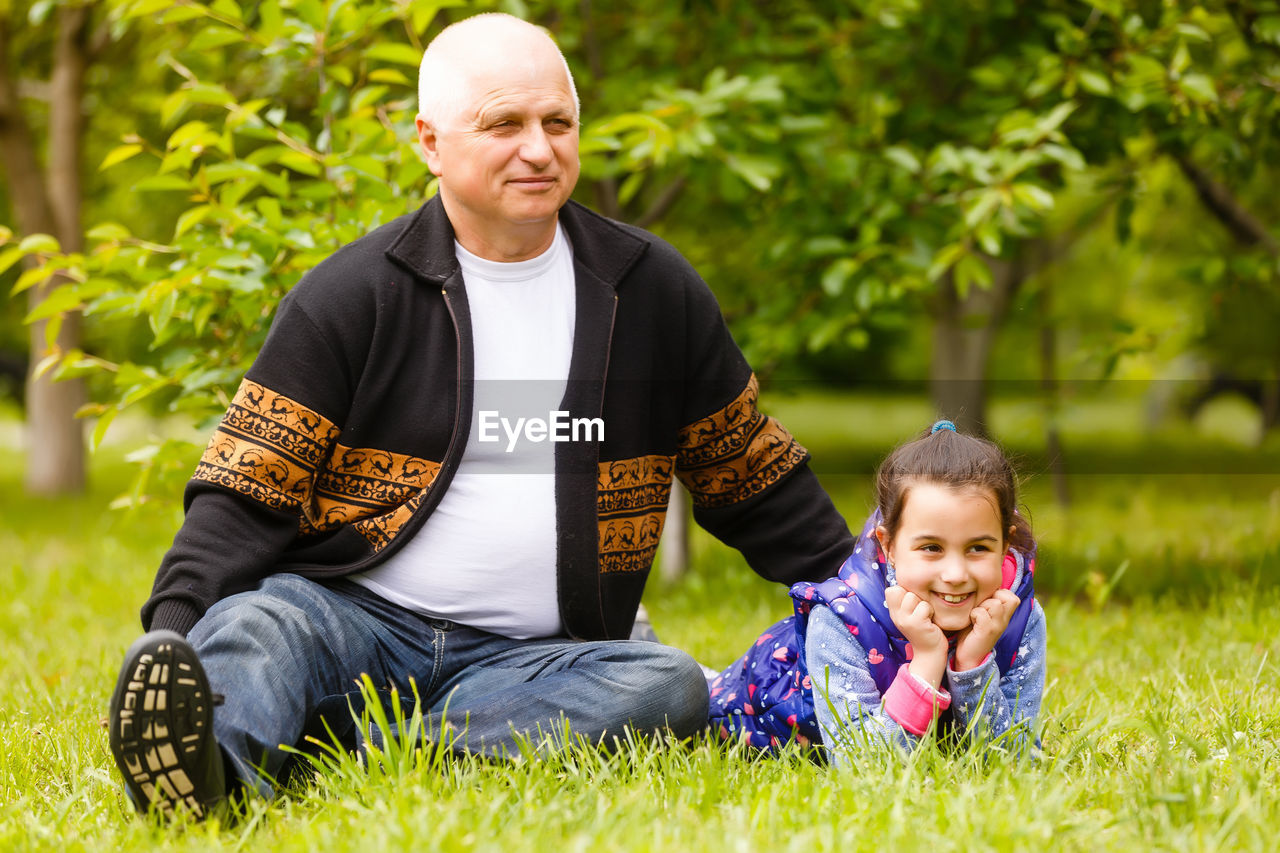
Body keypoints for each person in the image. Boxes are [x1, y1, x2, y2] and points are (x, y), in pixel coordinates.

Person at [107, 13, 854, 819]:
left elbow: (752, 476)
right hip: (351, 620)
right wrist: (174, 638)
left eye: (557, 122)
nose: (539, 148)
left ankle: (369, 744)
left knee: (665, 682)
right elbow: (241, 494)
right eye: (504, 123)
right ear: (430, 142)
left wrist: (876, 595)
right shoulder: (351, 296)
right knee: (258, 626)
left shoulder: (650, 291)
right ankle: (202, 775)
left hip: (540, 659)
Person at [708, 421, 1046, 758]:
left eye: (978, 548)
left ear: (1006, 544)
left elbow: (1014, 761)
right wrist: (927, 661)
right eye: (931, 548)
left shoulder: (1018, 618)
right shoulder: (842, 618)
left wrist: (973, 665)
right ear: (889, 547)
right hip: (738, 713)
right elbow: (863, 766)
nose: (955, 574)